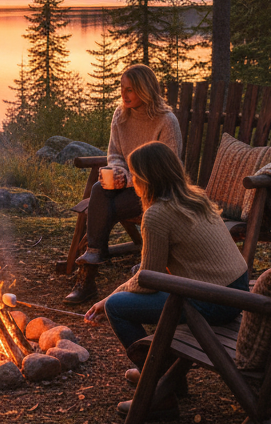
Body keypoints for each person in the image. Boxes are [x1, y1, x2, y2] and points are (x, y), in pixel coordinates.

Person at [83, 141, 249, 412]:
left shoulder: (158, 214)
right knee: (135, 285)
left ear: (147, 178)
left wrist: (107, 299)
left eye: (134, 174)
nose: (132, 180)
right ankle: (167, 378)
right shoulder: (195, 197)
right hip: (236, 290)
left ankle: (159, 390)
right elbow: (155, 272)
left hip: (213, 301)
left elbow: (149, 281)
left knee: (117, 307)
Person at [66, 63, 183, 304]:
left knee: (103, 209)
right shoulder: (120, 115)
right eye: (122, 88)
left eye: (130, 89)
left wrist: (129, 179)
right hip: (129, 190)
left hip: (158, 192)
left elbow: (167, 168)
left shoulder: (166, 121)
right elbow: (115, 154)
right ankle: (93, 259)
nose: (124, 94)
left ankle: (90, 269)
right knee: (99, 189)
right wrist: (117, 171)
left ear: (145, 89)